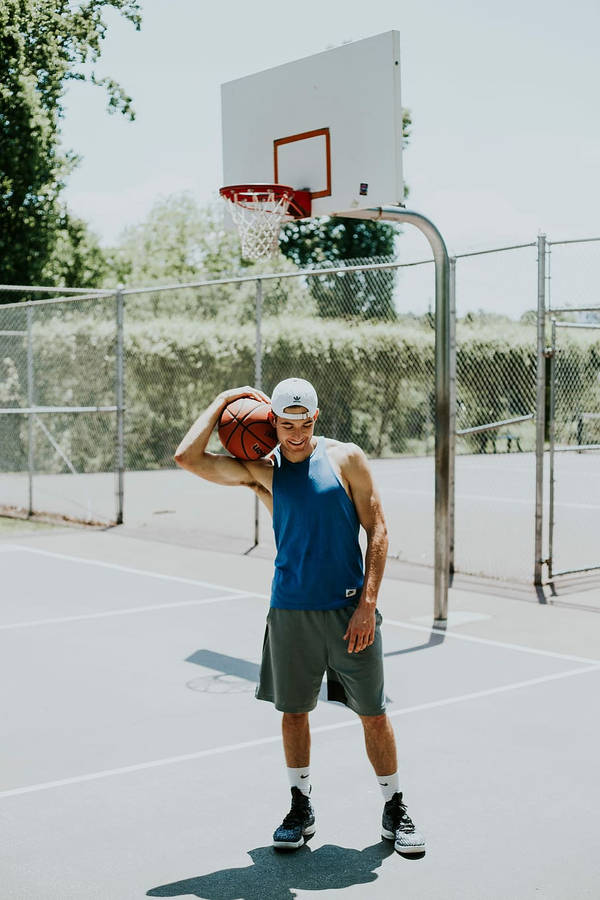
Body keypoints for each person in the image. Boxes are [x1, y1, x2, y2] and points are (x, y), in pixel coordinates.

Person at [174, 378, 425, 855]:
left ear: (315, 420)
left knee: (373, 713)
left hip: (350, 612)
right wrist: (224, 399)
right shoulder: (262, 470)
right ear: (272, 421)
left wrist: (367, 606)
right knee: (293, 713)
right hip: (289, 610)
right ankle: (300, 807)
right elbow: (188, 458)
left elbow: (378, 530)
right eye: (283, 424)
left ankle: (396, 808)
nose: (292, 433)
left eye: (302, 424)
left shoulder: (345, 458)